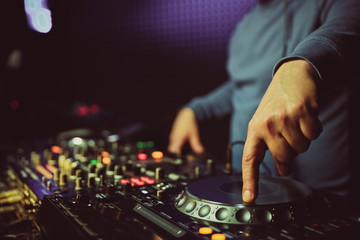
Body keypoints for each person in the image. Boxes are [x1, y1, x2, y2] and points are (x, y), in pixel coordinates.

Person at [167, 0, 360, 203]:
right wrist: (193, 110)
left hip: (323, 199)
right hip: (241, 192)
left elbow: (351, 24)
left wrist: (299, 65)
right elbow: (241, 86)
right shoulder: (244, 26)